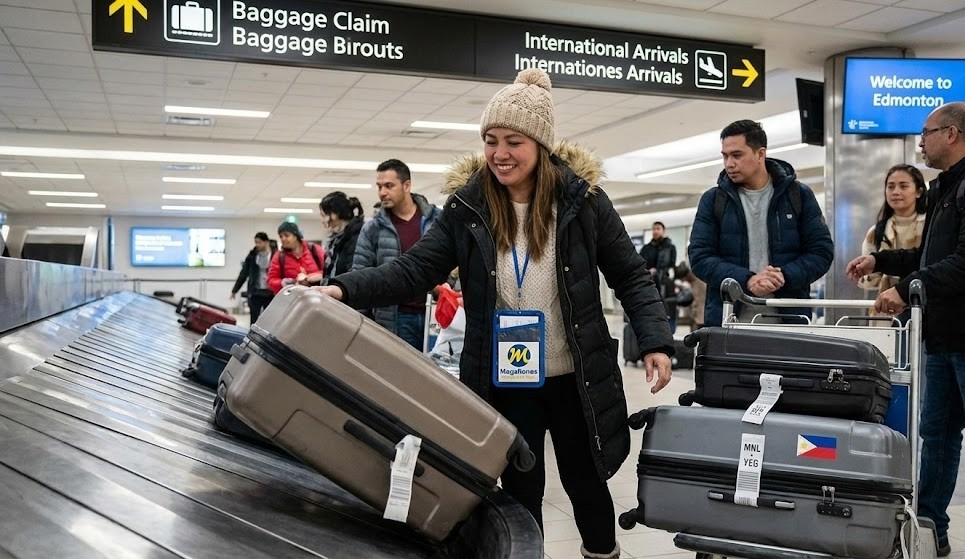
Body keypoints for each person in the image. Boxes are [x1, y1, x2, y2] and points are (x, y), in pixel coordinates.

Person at [316, 68, 673, 559]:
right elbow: (413, 270)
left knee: (587, 485)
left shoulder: (584, 204)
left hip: (577, 378)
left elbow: (630, 274)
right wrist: (342, 288)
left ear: (541, 145)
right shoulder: (468, 208)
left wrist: (654, 340)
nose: (499, 153)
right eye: (490, 141)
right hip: (509, 378)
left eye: (513, 141)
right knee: (520, 494)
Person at [846, 102, 965, 557]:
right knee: (937, 437)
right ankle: (931, 530)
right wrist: (881, 260)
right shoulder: (945, 189)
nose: (920, 142)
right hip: (942, 337)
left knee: (941, 437)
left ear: (951, 134)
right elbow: (930, 258)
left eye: (926, 133)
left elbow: (962, 263)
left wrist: (909, 287)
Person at [688, 119, 834, 326]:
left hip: (789, 322)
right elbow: (699, 257)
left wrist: (783, 276)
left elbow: (821, 252)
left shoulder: (798, 195)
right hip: (728, 322)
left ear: (760, 154)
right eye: (725, 156)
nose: (729, 164)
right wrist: (746, 280)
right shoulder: (714, 200)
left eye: (737, 155)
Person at [351, 158, 441, 350]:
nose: (382, 192)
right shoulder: (373, 229)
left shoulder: (437, 221)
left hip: (436, 316)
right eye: (379, 186)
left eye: (389, 186)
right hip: (394, 319)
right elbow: (360, 274)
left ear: (406, 185)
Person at [856, 164, 927, 323]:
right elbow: (868, 281)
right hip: (885, 313)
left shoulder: (930, 225)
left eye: (903, 186)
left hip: (924, 309)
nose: (896, 192)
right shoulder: (877, 231)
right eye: (891, 186)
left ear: (919, 191)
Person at [639, 221, 678, 332]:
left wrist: (662, 272)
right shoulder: (646, 249)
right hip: (650, 282)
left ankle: (669, 331)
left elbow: (672, 266)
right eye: (654, 229)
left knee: (668, 309)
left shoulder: (670, 248)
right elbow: (641, 264)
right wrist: (648, 271)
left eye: (658, 228)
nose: (655, 231)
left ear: (663, 231)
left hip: (666, 283)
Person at [266, 221, 324, 293]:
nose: (283, 239)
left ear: (295, 236)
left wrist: (309, 278)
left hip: (317, 295)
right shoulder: (279, 256)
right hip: (293, 297)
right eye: (281, 236)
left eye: (286, 235)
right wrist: (284, 283)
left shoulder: (314, 249)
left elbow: (328, 272)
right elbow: (270, 280)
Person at [230, 231, 276, 323]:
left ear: (266, 242)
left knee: (269, 320)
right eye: (256, 242)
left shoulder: (275, 255)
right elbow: (244, 273)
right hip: (255, 292)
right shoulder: (252, 256)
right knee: (254, 319)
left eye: (259, 242)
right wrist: (235, 290)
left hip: (270, 293)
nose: (257, 245)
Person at [319, 191, 365, 278]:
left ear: (335, 214)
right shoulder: (337, 240)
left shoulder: (357, 238)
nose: (323, 221)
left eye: (324, 215)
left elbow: (353, 275)